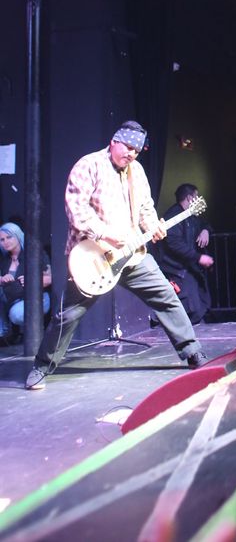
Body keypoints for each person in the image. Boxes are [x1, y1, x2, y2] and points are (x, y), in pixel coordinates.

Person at [24, 121, 207, 390]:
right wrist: (106, 235)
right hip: (94, 257)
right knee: (68, 315)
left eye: (137, 150)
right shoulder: (89, 165)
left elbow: (146, 209)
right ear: (114, 141)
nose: (131, 153)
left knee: (167, 297)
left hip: (134, 255)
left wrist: (153, 226)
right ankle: (42, 365)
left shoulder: (137, 172)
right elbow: (76, 210)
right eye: (128, 147)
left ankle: (192, 352)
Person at [155, 183, 213, 324]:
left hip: (188, 267)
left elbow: (203, 223)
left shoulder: (191, 216)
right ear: (189, 198)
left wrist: (205, 230)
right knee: (192, 307)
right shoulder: (173, 215)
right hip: (175, 269)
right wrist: (198, 257)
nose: (199, 199)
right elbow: (174, 243)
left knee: (203, 302)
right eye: (196, 196)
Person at [0, 222, 51, 342]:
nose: (5, 242)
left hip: (36, 299)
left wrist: (32, 280)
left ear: (18, 236)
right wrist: (2, 279)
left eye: (9, 237)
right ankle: (3, 333)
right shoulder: (4, 260)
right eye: (2, 240)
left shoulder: (34, 254)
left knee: (16, 314)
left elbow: (49, 279)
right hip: (11, 300)